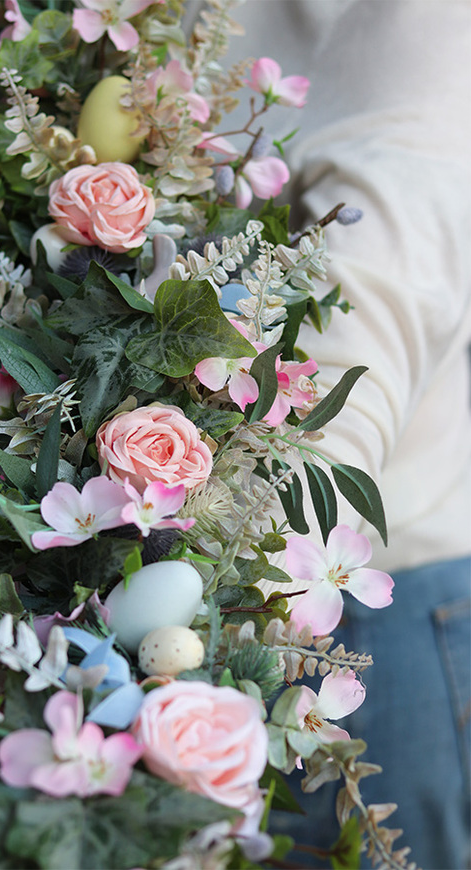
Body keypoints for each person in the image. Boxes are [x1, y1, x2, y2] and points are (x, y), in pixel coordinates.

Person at [187, 1, 471, 867]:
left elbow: (369, 326)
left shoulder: (421, 46)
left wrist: (228, 608)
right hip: (233, 574)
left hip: (367, 603)